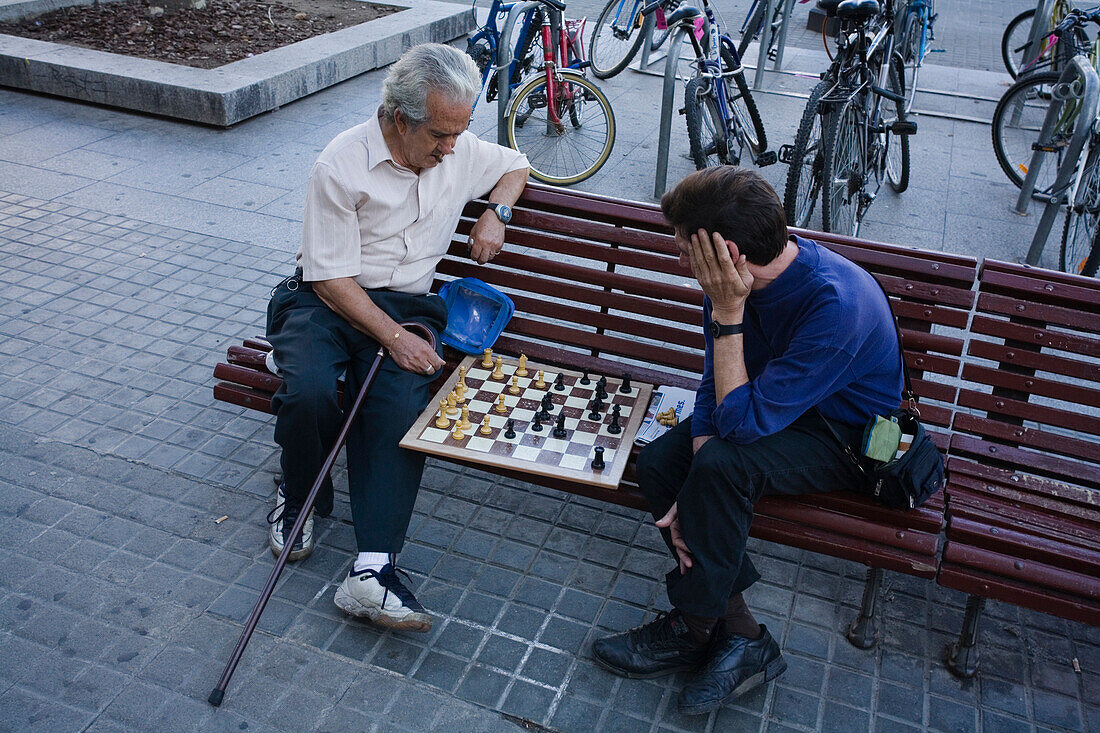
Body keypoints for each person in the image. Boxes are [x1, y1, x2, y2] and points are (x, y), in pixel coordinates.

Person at [592, 167, 903, 715]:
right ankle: (736, 632)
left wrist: (729, 314)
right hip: (770, 408)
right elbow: (716, 380)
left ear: (726, 251)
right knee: (665, 462)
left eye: (684, 250)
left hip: (844, 441)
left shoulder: (834, 306)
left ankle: (695, 626)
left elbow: (742, 425)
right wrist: (698, 458)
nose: (679, 261)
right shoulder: (731, 281)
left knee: (721, 470)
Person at [265, 43, 528, 633]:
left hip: (408, 304)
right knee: (308, 388)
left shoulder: (451, 146)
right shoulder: (340, 163)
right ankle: (304, 493)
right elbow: (329, 275)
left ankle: (373, 569)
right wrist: (392, 338)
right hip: (328, 296)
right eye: (439, 134)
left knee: (399, 400)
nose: (451, 148)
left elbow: (516, 163)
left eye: (459, 133)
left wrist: (497, 213)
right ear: (397, 119)